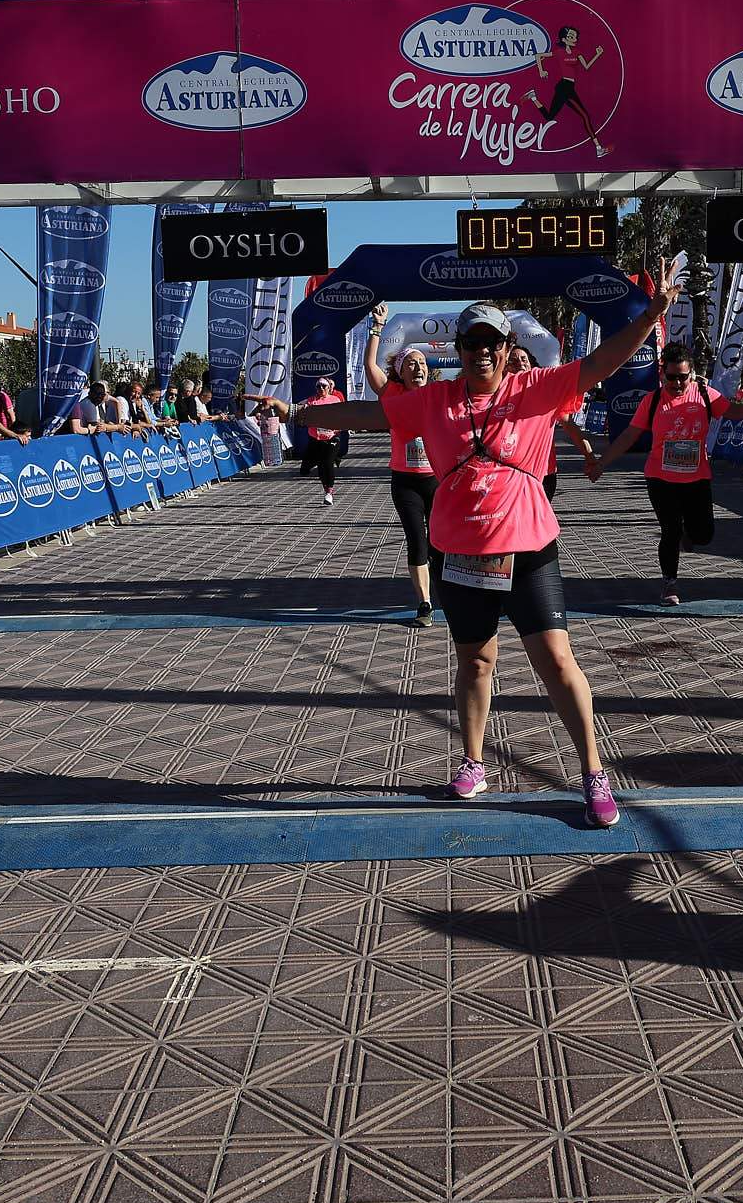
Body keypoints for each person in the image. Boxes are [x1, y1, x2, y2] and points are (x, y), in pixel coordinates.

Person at [251, 264, 682, 829]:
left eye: (492, 343)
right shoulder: (434, 400)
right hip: (462, 554)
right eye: (473, 341)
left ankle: (593, 772)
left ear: (507, 351)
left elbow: (603, 361)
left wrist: (651, 316)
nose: (483, 351)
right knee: (475, 662)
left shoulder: (537, 388)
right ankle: (474, 761)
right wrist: (296, 412)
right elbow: (367, 413)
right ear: (460, 349)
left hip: (529, 549)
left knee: (555, 660)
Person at [586, 342, 743, 605]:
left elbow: (732, 411)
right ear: (662, 373)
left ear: (692, 374)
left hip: (696, 477)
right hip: (660, 477)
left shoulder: (704, 394)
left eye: (682, 377)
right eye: (671, 377)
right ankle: (669, 584)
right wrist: (601, 463)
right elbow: (629, 436)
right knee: (670, 530)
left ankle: (690, 536)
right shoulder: (651, 401)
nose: (677, 383)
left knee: (704, 534)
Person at [364, 302, 441, 626]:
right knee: (417, 540)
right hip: (406, 480)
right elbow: (370, 366)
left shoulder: (438, 395)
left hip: (437, 479)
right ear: (401, 370)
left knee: (443, 541)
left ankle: (453, 592)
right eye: (411, 363)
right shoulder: (393, 393)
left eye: (422, 362)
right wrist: (377, 327)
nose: (418, 367)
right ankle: (424, 603)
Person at [503, 341, 594, 498]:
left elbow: (570, 426)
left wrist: (590, 457)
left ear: (531, 364)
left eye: (524, 360)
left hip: (543, 473)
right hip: (507, 475)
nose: (520, 364)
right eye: (513, 360)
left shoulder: (546, 393)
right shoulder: (496, 396)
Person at [526, 25, 611, 158]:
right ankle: (598, 148)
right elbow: (538, 55)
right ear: (564, 39)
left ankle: (533, 97)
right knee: (585, 116)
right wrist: (541, 70)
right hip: (564, 87)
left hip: (568, 87)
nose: (574, 38)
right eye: (571, 36)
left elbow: (587, 66)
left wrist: (597, 54)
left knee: (549, 116)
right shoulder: (559, 52)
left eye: (575, 36)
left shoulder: (577, 52)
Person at [297, 374, 344, 504]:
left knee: (327, 463)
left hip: (332, 438)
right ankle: (325, 486)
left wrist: (338, 426)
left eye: (324, 386)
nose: (321, 389)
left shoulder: (335, 399)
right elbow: (296, 408)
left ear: (329, 388)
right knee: (305, 470)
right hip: (315, 439)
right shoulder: (311, 401)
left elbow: (344, 416)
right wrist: (302, 410)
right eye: (318, 387)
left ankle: (329, 492)